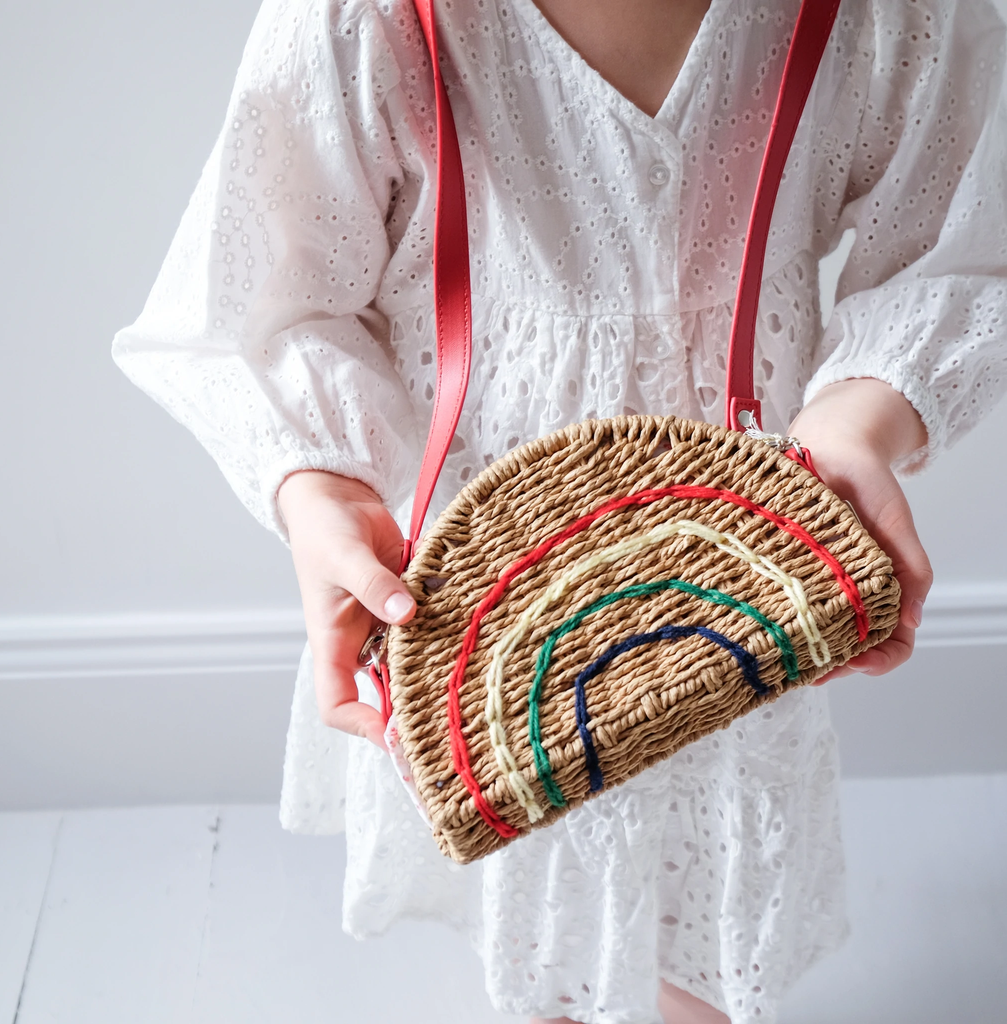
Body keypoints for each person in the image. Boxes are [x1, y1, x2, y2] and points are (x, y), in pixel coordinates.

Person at [111, 0, 1007, 1020]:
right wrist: (320, 490)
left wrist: (855, 423)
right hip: (483, 583)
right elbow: (271, 300)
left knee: (699, 880)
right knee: (529, 872)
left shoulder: (884, 17)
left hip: (726, 569)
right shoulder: (366, 21)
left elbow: (958, 239)